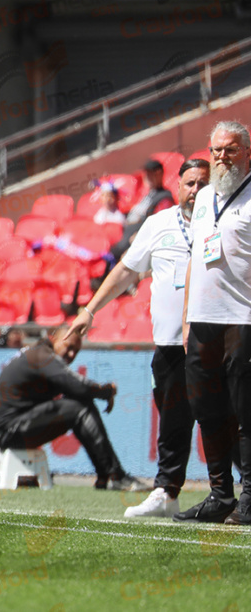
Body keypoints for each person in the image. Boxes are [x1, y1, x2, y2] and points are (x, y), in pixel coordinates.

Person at [68, 158, 210, 517]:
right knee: (173, 422)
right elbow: (126, 271)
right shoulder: (158, 224)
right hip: (169, 344)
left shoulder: (223, 221)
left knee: (228, 419)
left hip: (216, 340)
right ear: (177, 187)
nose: (196, 191)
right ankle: (167, 492)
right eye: (190, 183)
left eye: (203, 184)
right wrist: (89, 310)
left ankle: (235, 493)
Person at [179, 120, 251, 524]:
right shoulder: (204, 196)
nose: (223, 156)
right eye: (217, 150)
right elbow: (194, 261)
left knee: (246, 412)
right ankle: (221, 494)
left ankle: (250, 498)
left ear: (247, 153)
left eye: (232, 149)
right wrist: (187, 317)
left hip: (243, 319)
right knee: (207, 410)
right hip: (203, 321)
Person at [0, 325, 144, 491]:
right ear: (54, 338)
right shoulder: (43, 356)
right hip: (8, 432)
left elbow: (75, 388)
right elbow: (78, 386)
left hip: (11, 428)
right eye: (69, 347)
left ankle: (107, 475)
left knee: (80, 404)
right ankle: (114, 475)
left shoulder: (40, 354)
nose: (71, 354)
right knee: (80, 408)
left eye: (76, 351)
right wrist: (107, 391)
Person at [111, 160, 174, 258]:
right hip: (122, 239)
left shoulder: (164, 198)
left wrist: (141, 236)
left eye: (150, 173)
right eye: (146, 173)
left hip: (135, 245)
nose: (147, 176)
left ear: (159, 173)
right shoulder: (148, 195)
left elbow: (161, 224)